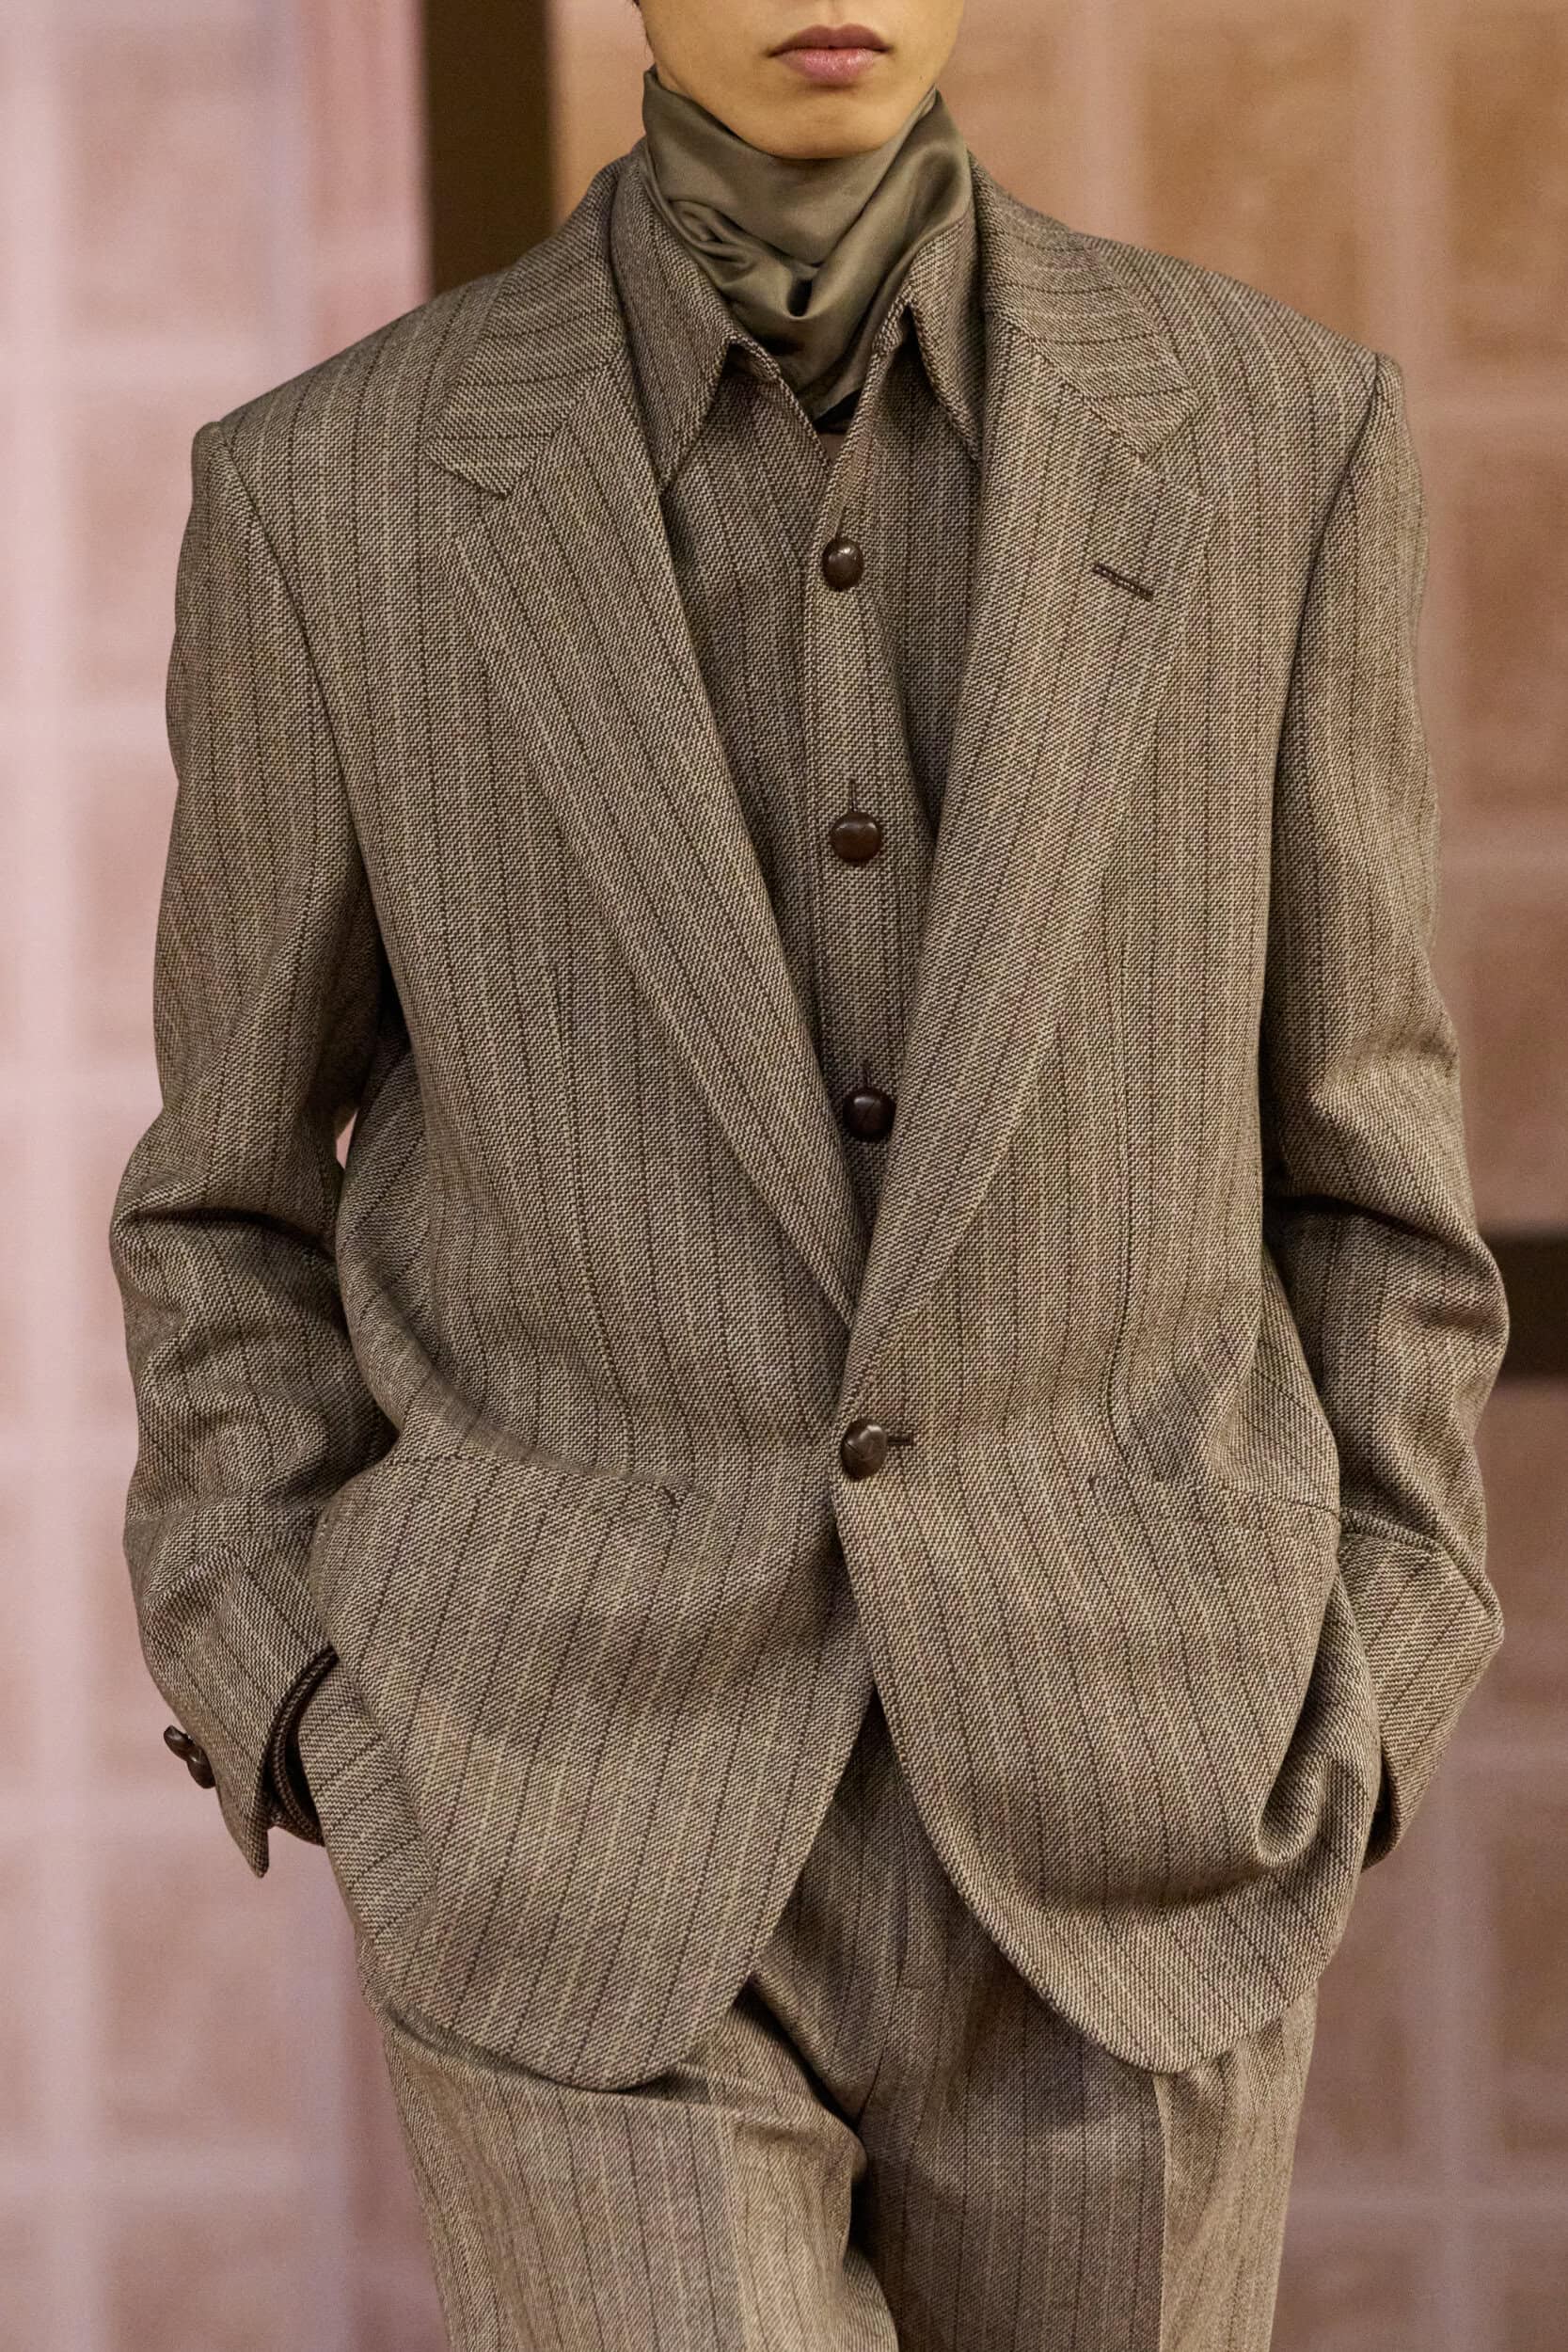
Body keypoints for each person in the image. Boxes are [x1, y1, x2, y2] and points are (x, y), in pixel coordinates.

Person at [107, 4, 1510, 2345]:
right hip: (563, 1822)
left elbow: (1369, 1159)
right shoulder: (329, 492)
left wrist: (1373, 1672)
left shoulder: (1279, 435)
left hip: (1148, 1803)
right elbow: (224, 1201)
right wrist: (304, 1687)